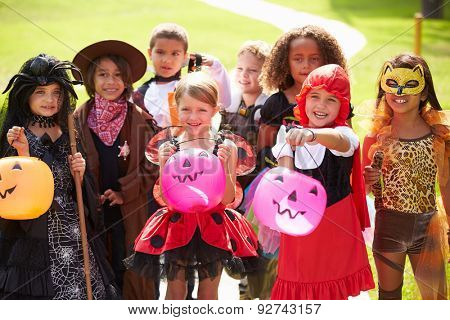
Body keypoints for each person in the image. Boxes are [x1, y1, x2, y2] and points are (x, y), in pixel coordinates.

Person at [127, 72, 260, 300]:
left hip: (213, 226)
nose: (193, 116)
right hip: (179, 224)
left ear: (215, 110)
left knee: (208, 292)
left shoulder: (224, 146)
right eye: (186, 109)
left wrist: (225, 166)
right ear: (176, 107)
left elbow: (227, 199)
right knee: (175, 290)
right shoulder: (171, 146)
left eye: (202, 110)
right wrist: (163, 164)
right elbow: (167, 199)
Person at [0, 54, 116, 299]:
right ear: (26, 94)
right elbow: (14, 187)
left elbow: (79, 187)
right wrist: (23, 152)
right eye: (41, 92)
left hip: (72, 225)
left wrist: (81, 172)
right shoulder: (18, 133)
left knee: (82, 287)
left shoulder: (68, 129)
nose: (50, 100)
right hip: (35, 229)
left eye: (56, 93)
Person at [270, 64, 374, 299]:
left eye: (331, 100)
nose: (321, 105)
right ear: (304, 100)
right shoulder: (288, 134)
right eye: (314, 96)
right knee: (299, 285)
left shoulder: (345, 134)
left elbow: (338, 141)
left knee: (334, 293)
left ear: (342, 107)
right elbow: (286, 178)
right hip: (300, 225)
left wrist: (311, 135)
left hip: (335, 224)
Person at [72, 40, 158, 299]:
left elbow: (153, 164)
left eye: (118, 75)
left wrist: (124, 192)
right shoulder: (79, 118)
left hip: (131, 208)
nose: (111, 81)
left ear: (127, 80)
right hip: (94, 208)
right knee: (101, 267)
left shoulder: (139, 118)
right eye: (103, 74)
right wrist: (89, 192)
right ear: (91, 78)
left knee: (131, 266)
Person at [363, 53, 449, 300]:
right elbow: (362, 188)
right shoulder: (376, 136)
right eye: (392, 83)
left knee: (437, 299)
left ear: (423, 93)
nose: (399, 90)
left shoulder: (438, 136)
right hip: (389, 226)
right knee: (389, 296)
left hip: (428, 228)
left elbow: (446, 184)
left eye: (410, 84)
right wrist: (368, 180)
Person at [219, 40, 275, 300]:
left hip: (255, 186)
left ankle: (254, 289)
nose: (244, 75)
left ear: (266, 75)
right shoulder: (230, 105)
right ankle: (242, 277)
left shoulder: (266, 109)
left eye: (252, 70)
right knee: (234, 237)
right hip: (231, 184)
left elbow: (264, 151)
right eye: (240, 68)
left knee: (256, 241)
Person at [257, 25, 350, 167]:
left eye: (314, 59)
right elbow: (263, 150)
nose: (306, 65)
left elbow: (349, 146)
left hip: (328, 181)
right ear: (285, 62)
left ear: (326, 61)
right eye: (298, 59)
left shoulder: (338, 102)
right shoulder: (275, 104)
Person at [132, 22, 231, 129]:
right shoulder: (139, 94)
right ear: (150, 53)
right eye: (160, 52)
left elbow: (224, 102)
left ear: (185, 56)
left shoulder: (192, 86)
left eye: (175, 54)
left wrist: (216, 66)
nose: (167, 60)